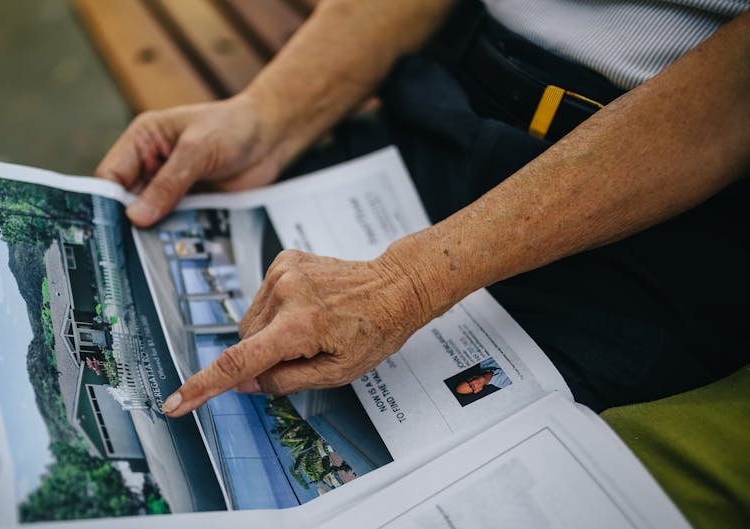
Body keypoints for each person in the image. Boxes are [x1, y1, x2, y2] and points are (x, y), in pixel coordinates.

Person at [95, 1, 750, 418]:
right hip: (451, 98)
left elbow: (734, 98)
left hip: (646, 215)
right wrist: (266, 116)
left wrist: (408, 282)